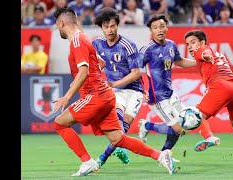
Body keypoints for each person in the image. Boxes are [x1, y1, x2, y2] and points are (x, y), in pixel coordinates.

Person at [52, 7, 175, 177]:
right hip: (106, 95)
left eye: (57, 25)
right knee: (118, 139)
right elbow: (99, 62)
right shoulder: (85, 38)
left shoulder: (77, 41)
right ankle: (161, 156)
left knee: (60, 123)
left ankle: (87, 161)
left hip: (95, 95)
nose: (57, 28)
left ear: (61, 23)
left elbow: (84, 72)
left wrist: (66, 97)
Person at [138, 14, 220, 156]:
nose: (159, 30)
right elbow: (134, 70)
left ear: (167, 28)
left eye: (162, 26)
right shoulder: (147, 50)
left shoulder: (171, 45)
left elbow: (179, 61)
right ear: (151, 31)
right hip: (157, 97)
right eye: (155, 27)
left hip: (170, 93)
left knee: (186, 122)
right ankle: (153, 136)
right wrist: (140, 90)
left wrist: (199, 62)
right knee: (178, 129)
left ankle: (161, 148)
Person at [184, 29, 233, 171]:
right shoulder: (219, 55)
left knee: (196, 115)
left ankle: (209, 137)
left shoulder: (203, 49)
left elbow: (205, 53)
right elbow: (198, 59)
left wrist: (206, 56)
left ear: (202, 42)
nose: (190, 47)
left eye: (193, 42)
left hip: (220, 86)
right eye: (187, 44)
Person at [91, 7, 145, 167]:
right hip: (115, 92)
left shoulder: (127, 45)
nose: (110, 30)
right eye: (106, 27)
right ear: (101, 28)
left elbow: (136, 73)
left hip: (135, 90)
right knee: (118, 115)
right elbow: (99, 62)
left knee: (125, 125)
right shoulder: (97, 44)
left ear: (117, 26)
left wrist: (114, 83)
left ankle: (102, 158)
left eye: (113, 26)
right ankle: (101, 160)